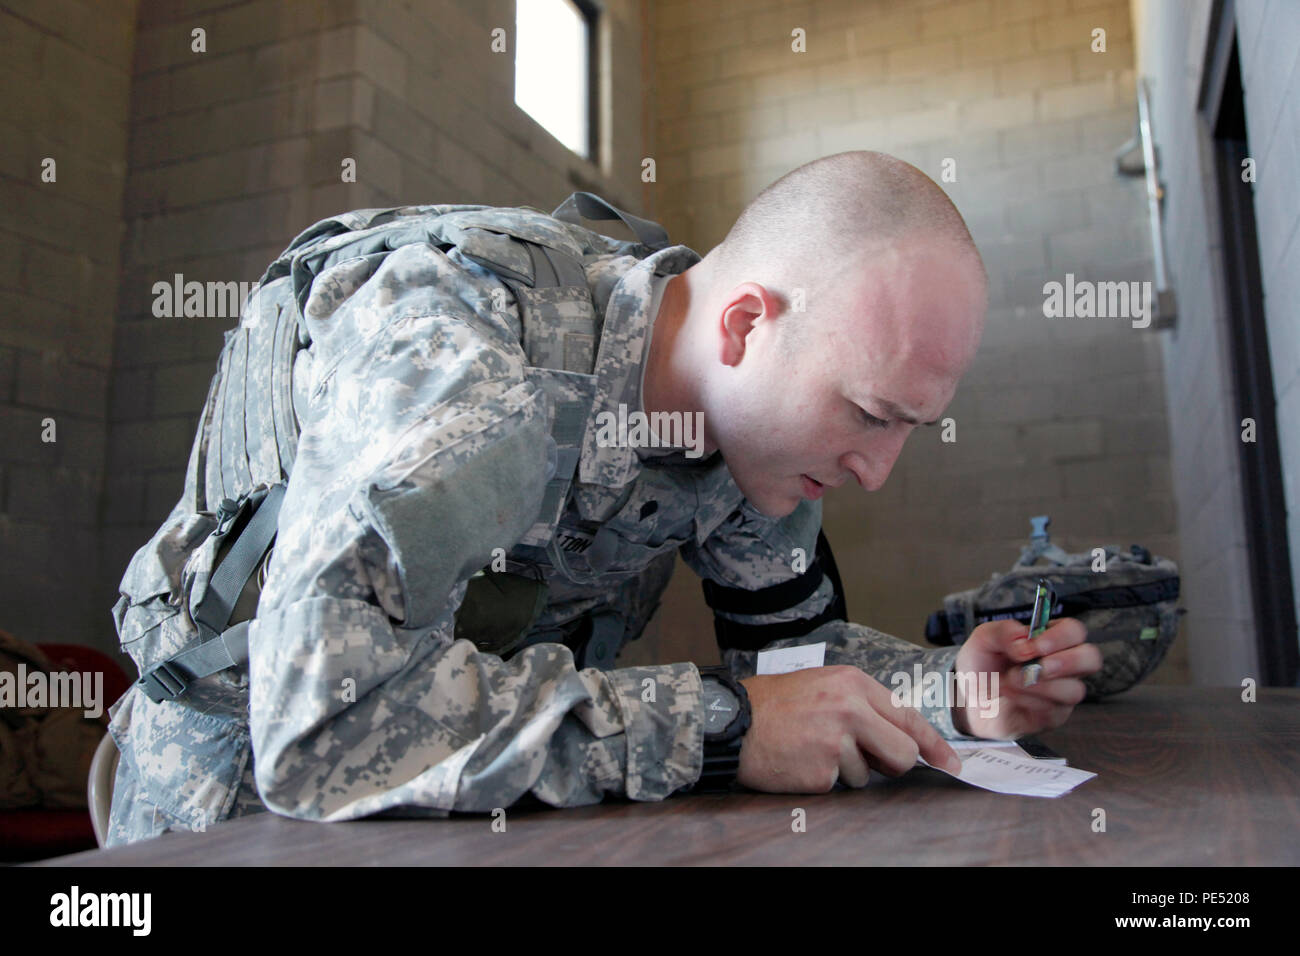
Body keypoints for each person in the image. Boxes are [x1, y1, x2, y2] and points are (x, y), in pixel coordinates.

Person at [104, 150, 1101, 846]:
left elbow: (788, 665)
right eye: (868, 412)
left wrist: (947, 690)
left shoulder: (752, 442)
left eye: (907, 428)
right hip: (232, 822)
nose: (876, 469)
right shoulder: (467, 352)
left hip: (461, 821)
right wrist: (718, 726)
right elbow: (320, 732)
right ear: (747, 323)